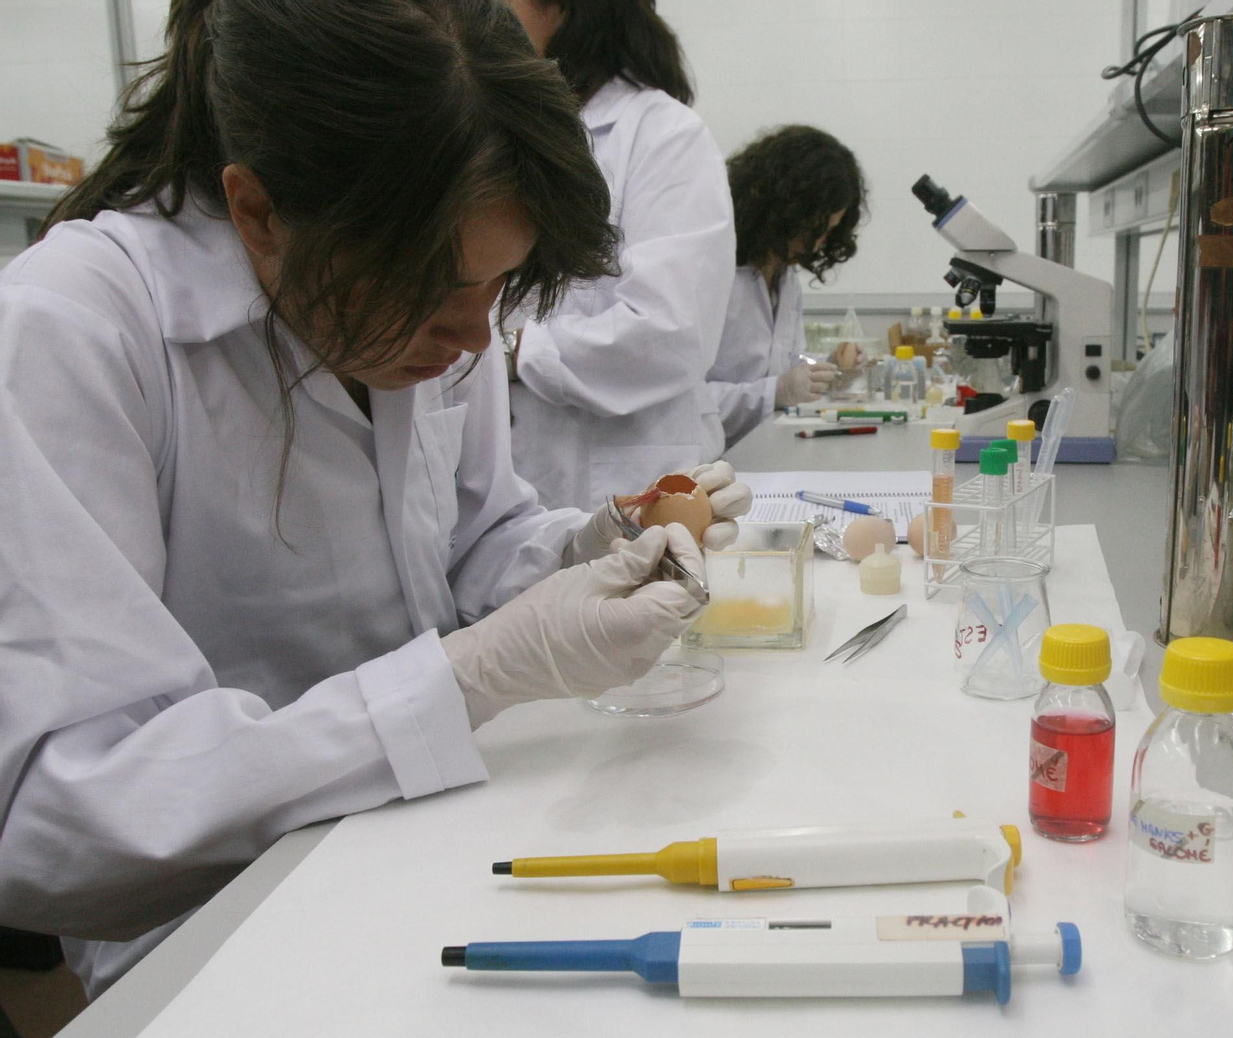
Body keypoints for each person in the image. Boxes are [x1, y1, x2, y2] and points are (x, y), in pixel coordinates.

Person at [0, 0, 747, 998]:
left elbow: (476, 543)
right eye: (440, 284)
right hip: (224, 938)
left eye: (499, 285)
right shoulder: (75, 329)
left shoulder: (429, 305)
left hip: (436, 842)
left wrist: (591, 554)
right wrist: (471, 675)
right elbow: (57, 823)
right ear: (259, 212)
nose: (478, 340)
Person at [505, 0, 735, 510]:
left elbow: (669, 331)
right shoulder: (506, 124)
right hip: (514, 477)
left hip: (626, 475)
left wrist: (516, 354)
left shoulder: (663, 134)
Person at [705, 126, 867, 453]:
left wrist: (828, 367)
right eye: (817, 229)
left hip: (764, 450)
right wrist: (774, 392)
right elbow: (683, 401)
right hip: (708, 460)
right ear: (784, 209)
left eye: (830, 232)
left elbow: (786, 363)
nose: (820, 243)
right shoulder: (714, 272)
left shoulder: (784, 278)